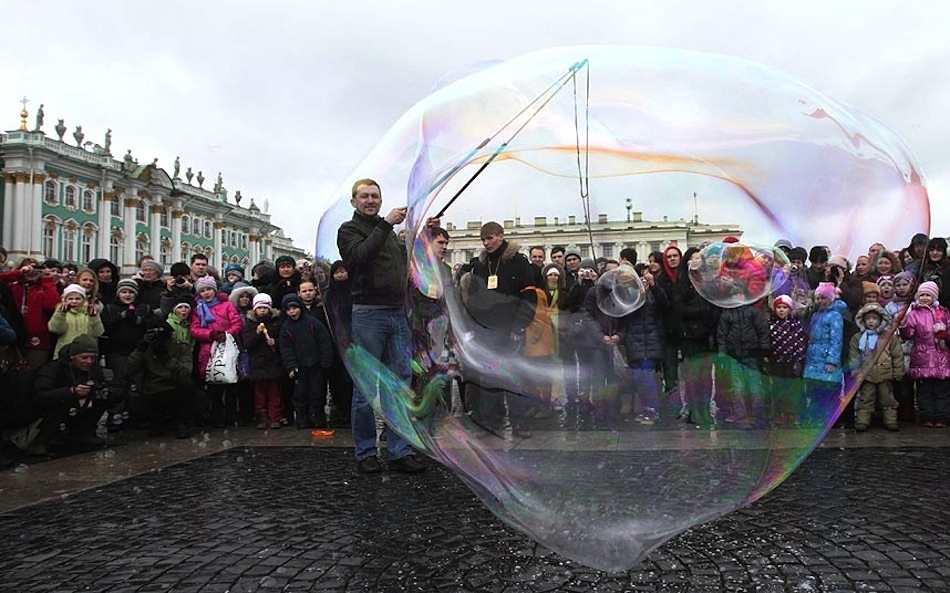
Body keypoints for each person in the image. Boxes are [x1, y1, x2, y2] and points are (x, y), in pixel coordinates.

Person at [336, 178, 426, 473]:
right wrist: (387, 224)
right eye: (365, 196)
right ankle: (366, 452)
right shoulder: (349, 230)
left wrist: (418, 232)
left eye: (375, 196)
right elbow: (360, 256)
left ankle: (400, 450)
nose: (371, 200)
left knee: (399, 384)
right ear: (354, 202)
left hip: (396, 314)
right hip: (368, 314)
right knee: (366, 386)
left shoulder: (387, 232)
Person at [459, 220, 541, 438]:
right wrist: (473, 327)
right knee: (489, 379)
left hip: (511, 329)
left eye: (490, 238)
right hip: (486, 330)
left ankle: (519, 423)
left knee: (513, 377)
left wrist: (520, 326)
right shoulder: (480, 264)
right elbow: (473, 299)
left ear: (501, 236)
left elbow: (529, 296)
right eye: (483, 239)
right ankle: (489, 422)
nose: (486, 243)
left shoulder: (518, 262)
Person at [31, 334, 113, 453]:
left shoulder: (95, 368)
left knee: (102, 399)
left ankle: (81, 434)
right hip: (54, 408)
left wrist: (105, 391)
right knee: (61, 402)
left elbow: (107, 385)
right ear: (72, 357)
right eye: (84, 358)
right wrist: (70, 391)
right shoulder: (52, 369)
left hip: (79, 406)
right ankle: (42, 439)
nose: (89, 362)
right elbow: (40, 396)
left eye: (93, 358)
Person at [126, 317, 195, 439]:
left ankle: (183, 424)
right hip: (154, 389)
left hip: (174, 387)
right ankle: (155, 422)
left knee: (187, 384)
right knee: (135, 406)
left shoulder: (180, 347)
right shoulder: (146, 348)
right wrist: (140, 349)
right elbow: (129, 370)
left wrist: (167, 359)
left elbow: (186, 371)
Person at [189, 276, 243, 428]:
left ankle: (231, 417)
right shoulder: (197, 309)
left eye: (209, 290)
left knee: (231, 385)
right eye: (203, 291)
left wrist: (226, 335)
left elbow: (236, 323)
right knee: (214, 388)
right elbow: (195, 330)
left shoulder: (226, 305)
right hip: (208, 351)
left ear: (214, 290)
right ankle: (217, 417)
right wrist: (210, 335)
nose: (206, 293)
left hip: (227, 348)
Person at [898, 281, 950, 427]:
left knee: (942, 391)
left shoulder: (943, 312)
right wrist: (903, 325)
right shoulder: (914, 314)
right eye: (922, 295)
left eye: (928, 295)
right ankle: (926, 416)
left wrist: (946, 335)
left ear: (934, 296)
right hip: (923, 358)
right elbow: (909, 334)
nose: (925, 298)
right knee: (924, 391)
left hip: (942, 358)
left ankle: (942, 416)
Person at [278, 293, 334, 429]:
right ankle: (302, 418)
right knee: (300, 393)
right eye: (289, 309)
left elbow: (324, 342)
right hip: (299, 367)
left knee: (317, 391)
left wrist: (325, 361)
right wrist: (291, 366)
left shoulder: (312, 323)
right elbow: (286, 350)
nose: (292, 312)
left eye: (294, 308)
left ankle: (317, 417)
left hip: (316, 364)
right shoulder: (286, 328)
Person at [849, 303, 904, 432]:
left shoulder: (889, 336)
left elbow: (897, 355)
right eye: (868, 319)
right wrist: (855, 371)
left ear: (881, 320)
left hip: (885, 373)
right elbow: (854, 356)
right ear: (863, 321)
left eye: (874, 319)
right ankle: (863, 421)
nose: (871, 321)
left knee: (888, 399)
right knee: (866, 399)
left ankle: (891, 421)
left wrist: (898, 371)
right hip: (866, 374)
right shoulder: (858, 338)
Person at [802, 282, 847, 425]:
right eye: (818, 298)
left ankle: (828, 419)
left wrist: (831, 361)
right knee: (814, 390)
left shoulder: (835, 316)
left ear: (831, 299)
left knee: (827, 391)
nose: (820, 301)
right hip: (813, 359)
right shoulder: (815, 315)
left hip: (825, 358)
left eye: (824, 298)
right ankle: (816, 418)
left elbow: (836, 339)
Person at [242, 293, 285, 429]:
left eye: (265, 308)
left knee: (274, 393)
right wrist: (257, 334)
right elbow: (247, 344)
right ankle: (262, 417)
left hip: (273, 363)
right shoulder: (250, 325)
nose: (262, 310)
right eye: (259, 308)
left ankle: (275, 417)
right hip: (257, 365)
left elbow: (283, 341)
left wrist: (275, 342)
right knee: (260, 394)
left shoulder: (276, 323)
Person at [767, 294, 807, 425]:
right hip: (777, 362)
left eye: (784, 307)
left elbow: (801, 343)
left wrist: (799, 360)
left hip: (792, 362)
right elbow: (768, 343)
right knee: (779, 388)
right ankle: (780, 413)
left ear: (789, 309)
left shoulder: (795, 325)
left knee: (793, 389)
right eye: (779, 307)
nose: (782, 310)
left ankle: (793, 413)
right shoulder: (771, 325)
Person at [47, 284, 104, 359]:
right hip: (65, 352)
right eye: (70, 299)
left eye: (78, 299)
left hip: (85, 353)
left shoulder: (89, 313)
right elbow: (55, 329)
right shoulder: (61, 313)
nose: (74, 301)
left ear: (83, 300)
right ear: (64, 300)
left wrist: (94, 318)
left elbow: (97, 333)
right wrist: (60, 314)